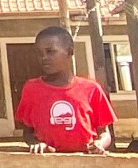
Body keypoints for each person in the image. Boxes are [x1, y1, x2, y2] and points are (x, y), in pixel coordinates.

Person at [14, 25, 115, 154]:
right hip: (48, 162)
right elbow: (28, 132)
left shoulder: (91, 89)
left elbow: (105, 133)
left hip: (87, 161)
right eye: (40, 53)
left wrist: (99, 144)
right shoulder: (31, 89)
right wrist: (36, 144)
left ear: (69, 51)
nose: (44, 57)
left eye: (50, 51)